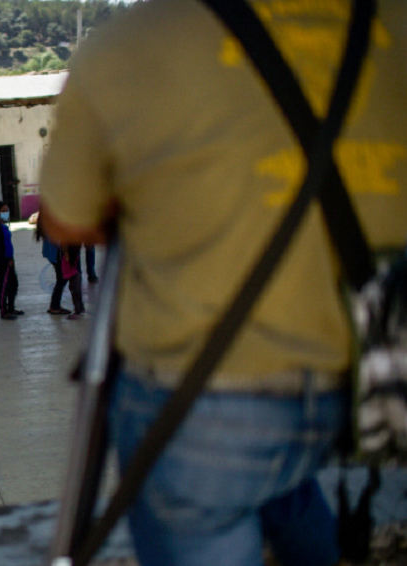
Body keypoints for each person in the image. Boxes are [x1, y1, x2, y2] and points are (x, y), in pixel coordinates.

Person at [38, 2, 407, 566]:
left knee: (220, 485)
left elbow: (66, 219)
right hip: (379, 374)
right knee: (284, 479)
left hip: (215, 393)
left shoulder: (130, 44)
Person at [0, 201, 23, 320]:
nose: (6, 213)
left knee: (13, 283)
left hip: (9, 258)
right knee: (4, 285)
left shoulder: (2, 224)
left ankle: (11, 307)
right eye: (4, 211)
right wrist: (6, 260)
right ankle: (4, 311)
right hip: (2, 260)